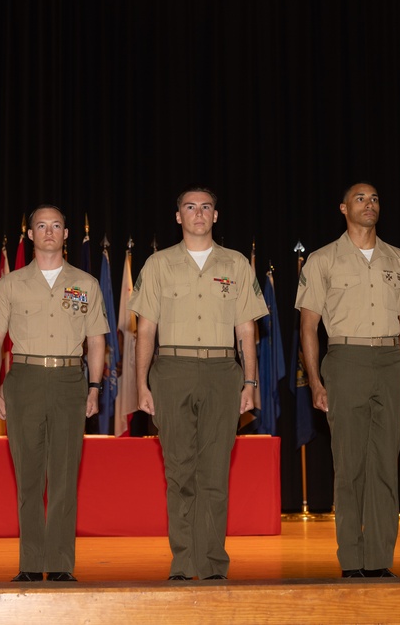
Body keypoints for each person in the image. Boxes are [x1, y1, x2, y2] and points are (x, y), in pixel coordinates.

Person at [128, 187, 267, 581]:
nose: (198, 213)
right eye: (190, 207)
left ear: (216, 216)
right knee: (179, 471)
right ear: (178, 217)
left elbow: (247, 329)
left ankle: (212, 563)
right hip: (172, 371)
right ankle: (184, 560)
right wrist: (142, 385)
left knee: (214, 472)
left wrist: (250, 382)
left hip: (224, 372)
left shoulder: (236, 263)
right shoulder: (158, 264)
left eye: (206, 207)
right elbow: (146, 331)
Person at [295, 183, 400, 578]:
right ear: (343, 208)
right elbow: (308, 326)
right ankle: (352, 559)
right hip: (345, 359)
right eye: (360, 199)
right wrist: (316, 382)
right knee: (349, 467)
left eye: (374, 199)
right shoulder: (322, 260)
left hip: (389, 361)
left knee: (385, 465)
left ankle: (379, 558)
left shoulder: (399, 260)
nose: (369, 205)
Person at [0, 204, 108, 582]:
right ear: (30, 234)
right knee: (29, 475)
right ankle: (30, 562)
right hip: (24, 379)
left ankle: (59, 565)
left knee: (65, 475)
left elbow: (97, 341)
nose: (49, 231)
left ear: (67, 234)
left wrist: (95, 387)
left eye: (56, 225)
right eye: (42, 225)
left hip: (70, 381)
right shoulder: (10, 283)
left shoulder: (86, 283)